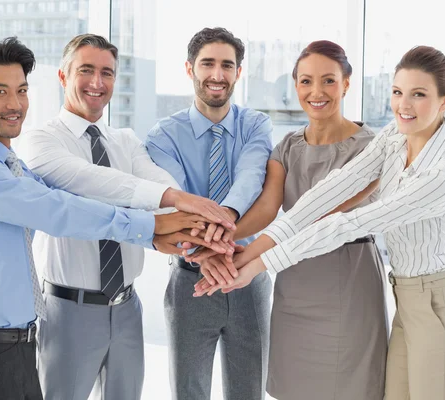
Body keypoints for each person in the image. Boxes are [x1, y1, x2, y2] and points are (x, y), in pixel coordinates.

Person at [0, 36, 228, 400]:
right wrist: (153, 225)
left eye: (21, 90)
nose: (15, 104)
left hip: (25, 339)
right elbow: (61, 207)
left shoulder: (12, 165)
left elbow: (146, 182)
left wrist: (189, 230)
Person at [196, 45, 445, 400]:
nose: (403, 106)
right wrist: (243, 257)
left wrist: (255, 265)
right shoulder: (394, 139)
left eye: (419, 95)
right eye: (398, 93)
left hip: (441, 302)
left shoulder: (441, 176)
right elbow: (319, 200)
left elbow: (348, 224)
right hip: (408, 299)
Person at [190, 40, 387, 400]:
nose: (317, 92)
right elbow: (267, 210)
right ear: (296, 86)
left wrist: (241, 259)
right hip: (295, 283)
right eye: (306, 81)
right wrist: (218, 242)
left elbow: (311, 217)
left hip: (349, 278)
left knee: (350, 387)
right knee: (294, 387)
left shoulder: (371, 148)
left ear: (346, 83)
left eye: (328, 81)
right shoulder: (287, 147)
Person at [145, 27, 273, 400]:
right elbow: (178, 202)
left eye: (227, 65)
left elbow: (251, 178)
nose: (217, 74)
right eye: (207, 64)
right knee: (189, 391)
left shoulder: (255, 125)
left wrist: (223, 225)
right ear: (189, 69)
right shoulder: (163, 136)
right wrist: (211, 252)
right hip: (190, 280)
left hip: (248, 278)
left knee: (249, 391)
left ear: (238, 72)